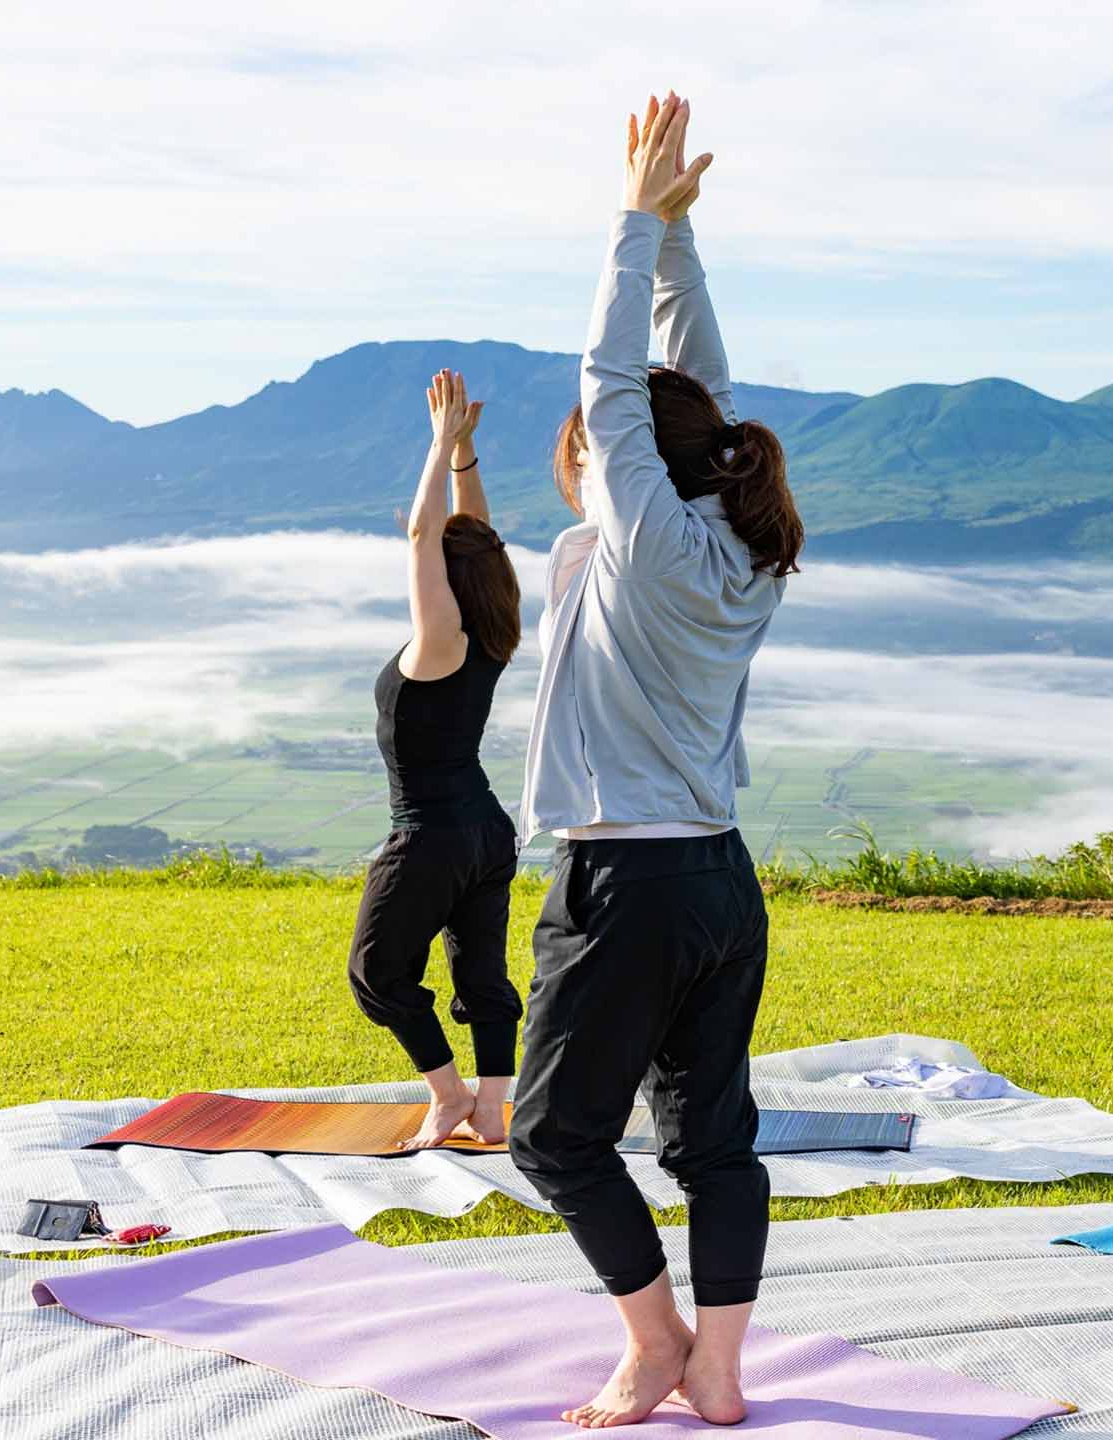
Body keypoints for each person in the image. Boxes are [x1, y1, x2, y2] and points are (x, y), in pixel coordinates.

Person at [508, 91, 802, 1429]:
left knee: (554, 1135)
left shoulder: (650, 545)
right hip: (718, 889)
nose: (584, 460)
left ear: (630, 473)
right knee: (709, 1141)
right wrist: (682, 241)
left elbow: (619, 387)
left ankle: (656, 1341)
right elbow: (699, 399)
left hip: (626, 892)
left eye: (595, 455)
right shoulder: (735, 537)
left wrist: (633, 223)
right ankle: (724, 1372)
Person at [345, 368, 524, 1152]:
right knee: (479, 974)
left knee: (377, 975)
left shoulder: (439, 641)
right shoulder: (487, 629)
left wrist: (439, 442)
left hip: (431, 838)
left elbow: (428, 538)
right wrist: (465, 458)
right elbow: (469, 540)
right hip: (487, 832)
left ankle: (449, 1096)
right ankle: (493, 1106)